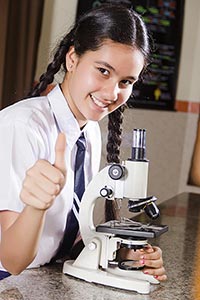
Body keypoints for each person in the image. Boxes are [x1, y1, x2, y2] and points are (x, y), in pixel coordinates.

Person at [0, 4, 167, 281]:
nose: (112, 92)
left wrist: (124, 255)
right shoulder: (21, 127)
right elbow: (11, 260)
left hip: (46, 277)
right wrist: (36, 208)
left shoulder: (88, 130)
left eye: (126, 81)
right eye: (103, 71)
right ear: (72, 59)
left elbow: (64, 238)